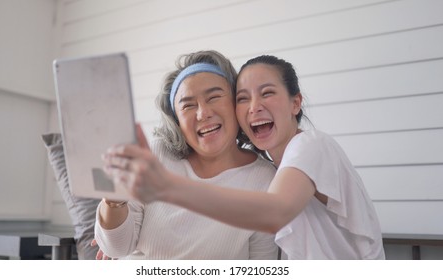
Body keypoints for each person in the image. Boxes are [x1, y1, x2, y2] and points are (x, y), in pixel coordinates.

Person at [102, 55, 386, 260]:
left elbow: (273, 212)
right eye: (243, 98)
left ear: (295, 102)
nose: (254, 107)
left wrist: (167, 187)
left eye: (267, 93)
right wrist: (114, 216)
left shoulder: (310, 145)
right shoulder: (282, 171)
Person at [94, 50, 278, 260]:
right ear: (177, 121)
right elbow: (115, 249)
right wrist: (114, 200)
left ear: (236, 102)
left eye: (214, 97)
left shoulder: (265, 179)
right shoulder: (155, 154)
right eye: (188, 105)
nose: (203, 113)